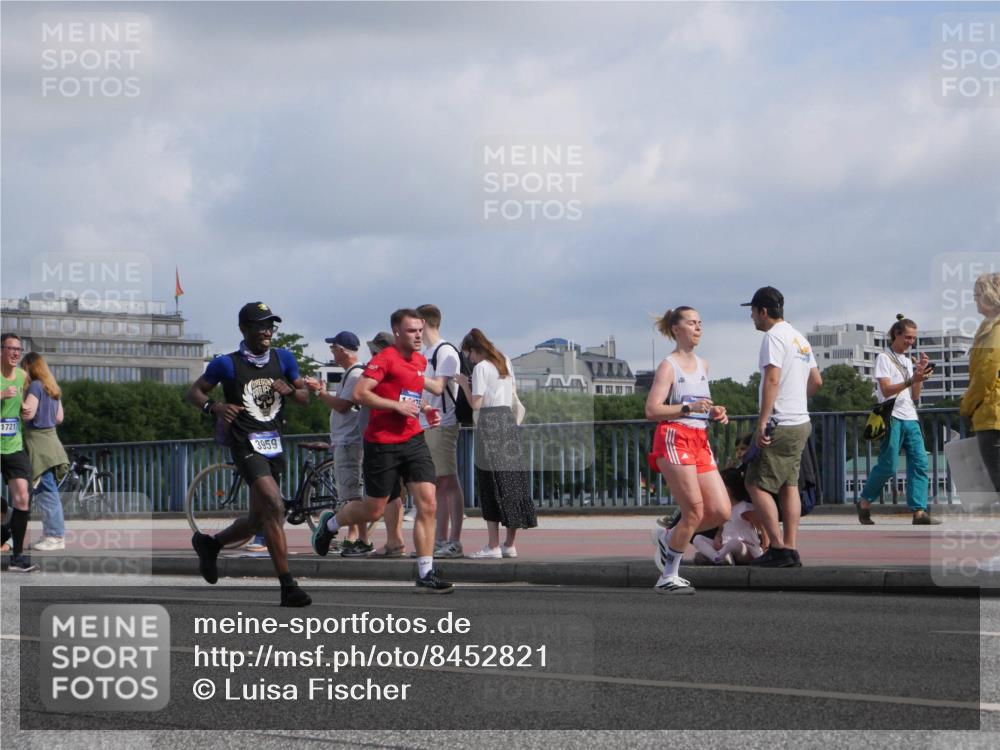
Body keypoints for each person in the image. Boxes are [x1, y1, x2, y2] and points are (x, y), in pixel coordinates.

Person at [311, 309, 453, 593]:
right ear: (397, 332)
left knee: (428, 502)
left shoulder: (420, 361)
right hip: (382, 443)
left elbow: (408, 395)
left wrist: (424, 409)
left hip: (413, 439)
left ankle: (426, 572)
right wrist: (395, 407)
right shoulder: (383, 359)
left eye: (420, 330)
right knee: (373, 510)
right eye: (412, 331)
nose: (418, 335)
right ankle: (330, 525)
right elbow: (359, 394)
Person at [186, 302, 312, 607]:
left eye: (270, 325)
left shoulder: (284, 358)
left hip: (274, 443)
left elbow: (305, 398)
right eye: (260, 325)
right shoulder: (226, 364)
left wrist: (291, 392)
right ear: (245, 329)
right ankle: (288, 586)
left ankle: (211, 545)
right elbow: (194, 392)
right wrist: (214, 406)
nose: (267, 331)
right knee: (274, 503)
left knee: (259, 519)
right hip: (244, 443)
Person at [644, 308, 730, 594]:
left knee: (719, 511)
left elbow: (701, 404)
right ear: (676, 329)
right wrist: (687, 408)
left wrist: (715, 411)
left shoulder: (703, 365)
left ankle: (669, 536)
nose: (698, 328)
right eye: (692, 323)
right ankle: (668, 576)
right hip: (674, 437)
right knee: (693, 510)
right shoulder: (669, 366)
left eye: (700, 323)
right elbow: (652, 409)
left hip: (699, 438)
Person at [742, 286, 822, 567]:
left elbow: (772, 379)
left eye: (753, 312)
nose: (752, 317)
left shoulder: (773, 338)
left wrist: (763, 420)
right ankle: (790, 547)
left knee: (754, 482)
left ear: (764, 311)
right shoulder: (799, 338)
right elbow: (816, 382)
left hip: (780, 423)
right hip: (801, 421)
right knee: (789, 485)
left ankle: (776, 547)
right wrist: (797, 398)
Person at [454, 328, 536, 559]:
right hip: (507, 421)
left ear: (474, 350)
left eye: (468, 354)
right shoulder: (505, 361)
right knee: (511, 482)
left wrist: (463, 383)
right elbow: (512, 393)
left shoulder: (480, 368)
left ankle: (492, 546)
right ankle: (510, 544)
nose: (468, 359)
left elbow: (476, 404)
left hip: (489, 423)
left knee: (490, 484)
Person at [856, 315, 938, 525]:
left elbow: (915, 396)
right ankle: (865, 501)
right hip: (891, 416)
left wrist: (919, 374)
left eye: (914, 338)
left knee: (920, 462)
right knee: (889, 465)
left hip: (910, 416)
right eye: (908, 337)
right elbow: (885, 390)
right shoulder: (884, 358)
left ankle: (919, 511)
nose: (911, 342)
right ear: (896, 334)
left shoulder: (907, 360)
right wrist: (911, 379)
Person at [304, 331, 372, 557]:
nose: (331, 351)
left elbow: (342, 405)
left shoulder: (355, 375)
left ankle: (359, 538)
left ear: (342, 350)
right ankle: (359, 538)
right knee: (353, 493)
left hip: (350, 442)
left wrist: (319, 392)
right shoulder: (352, 374)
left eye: (333, 348)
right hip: (348, 441)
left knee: (352, 494)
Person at [416, 304, 466, 559]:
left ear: (423, 322)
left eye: (415, 325)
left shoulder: (445, 352)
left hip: (443, 422)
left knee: (447, 480)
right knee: (437, 483)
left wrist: (411, 375)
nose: (413, 331)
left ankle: (452, 540)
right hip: (427, 422)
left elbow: (437, 388)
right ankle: (440, 539)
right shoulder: (428, 352)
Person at [20, 352, 70, 551]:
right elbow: (59, 418)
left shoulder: (34, 386)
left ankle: (55, 536)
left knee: (47, 491)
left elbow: (28, 414)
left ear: (30, 368)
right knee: (47, 489)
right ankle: (50, 534)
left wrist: (17, 401)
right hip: (53, 441)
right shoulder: (52, 388)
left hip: (39, 444)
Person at [961, 272, 1000, 500]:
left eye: (977, 294)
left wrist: (968, 404)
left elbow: (987, 370)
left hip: (992, 414)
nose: (974, 299)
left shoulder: (994, 330)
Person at [1, 333, 38, 572]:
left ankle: (17, 557)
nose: (16, 353)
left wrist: (27, 411)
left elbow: (24, 407)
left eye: (19, 349)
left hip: (13, 445)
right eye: (11, 348)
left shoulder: (23, 376)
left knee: (23, 497)